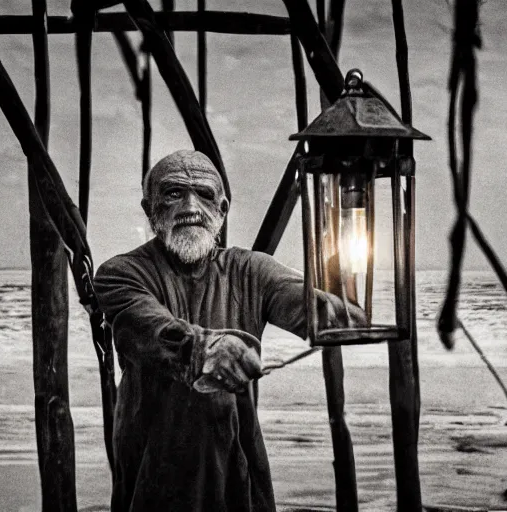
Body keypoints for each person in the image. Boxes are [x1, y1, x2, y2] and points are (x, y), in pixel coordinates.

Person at [94, 149, 364, 512]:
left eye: (204, 195)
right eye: (174, 193)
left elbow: (300, 302)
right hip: (152, 464)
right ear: (150, 208)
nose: (191, 207)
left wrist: (334, 307)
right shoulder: (121, 273)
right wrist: (206, 350)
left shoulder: (251, 270)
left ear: (221, 210)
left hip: (237, 463)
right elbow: (145, 327)